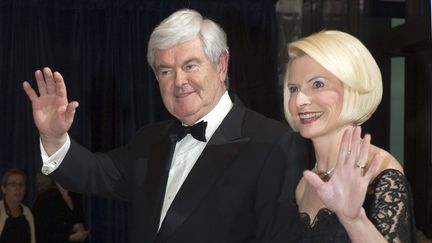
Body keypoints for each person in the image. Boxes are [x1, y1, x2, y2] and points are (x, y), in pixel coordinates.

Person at [22, 8, 309, 243]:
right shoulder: (150, 140)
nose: (179, 81)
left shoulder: (273, 142)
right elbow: (96, 173)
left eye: (190, 65)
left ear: (221, 65)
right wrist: (54, 137)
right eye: (165, 71)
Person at [283, 30, 416, 242]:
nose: (300, 101)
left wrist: (354, 221)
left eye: (318, 84)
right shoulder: (304, 184)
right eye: (294, 88)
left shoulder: (380, 171)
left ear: (352, 87)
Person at [33, 173, 89, 243]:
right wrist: (70, 237)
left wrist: (80, 229)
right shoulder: (45, 197)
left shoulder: (75, 195)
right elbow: (42, 234)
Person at [0, 168, 36, 243]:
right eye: (13, 185)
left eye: (21, 185)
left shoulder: (27, 212)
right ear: (3, 189)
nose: (18, 188)